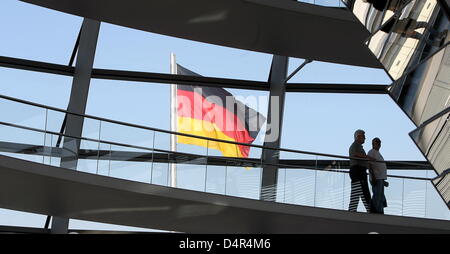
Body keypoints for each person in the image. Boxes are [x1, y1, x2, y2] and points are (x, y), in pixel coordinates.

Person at [348, 129, 374, 213]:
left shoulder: (357, 146)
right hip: (357, 170)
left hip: (359, 170)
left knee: (361, 190)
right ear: (358, 137)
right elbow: (356, 154)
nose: (365, 138)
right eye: (363, 136)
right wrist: (367, 157)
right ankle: (368, 209)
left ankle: (365, 209)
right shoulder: (355, 146)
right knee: (361, 190)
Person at [368, 137, 388, 214]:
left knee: (380, 195)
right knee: (377, 195)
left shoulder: (377, 153)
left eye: (379, 142)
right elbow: (370, 165)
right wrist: (373, 177)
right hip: (376, 178)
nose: (378, 144)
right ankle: (376, 211)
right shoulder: (371, 152)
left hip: (380, 178)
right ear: (373, 143)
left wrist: (383, 180)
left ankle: (379, 210)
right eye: (377, 142)